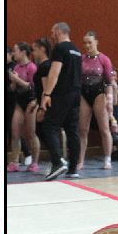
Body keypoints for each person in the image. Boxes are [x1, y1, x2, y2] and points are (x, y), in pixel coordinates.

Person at [37, 22, 82, 180]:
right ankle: (73, 169)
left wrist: (47, 94)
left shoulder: (60, 48)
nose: (51, 35)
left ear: (58, 31)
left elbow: (54, 73)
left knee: (49, 126)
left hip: (62, 93)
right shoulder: (76, 50)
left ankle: (57, 162)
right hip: (76, 94)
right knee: (72, 130)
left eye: (52, 32)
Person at [76, 31, 118, 172]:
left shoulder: (104, 59)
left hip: (99, 94)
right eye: (85, 43)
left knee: (104, 128)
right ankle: (80, 160)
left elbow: (109, 82)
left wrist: (109, 102)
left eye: (90, 42)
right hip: (84, 94)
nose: (87, 45)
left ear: (96, 42)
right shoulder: (81, 59)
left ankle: (107, 159)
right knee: (82, 130)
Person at [22, 37, 52, 174]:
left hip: (46, 105)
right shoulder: (42, 66)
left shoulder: (45, 66)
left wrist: (42, 108)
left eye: (34, 50)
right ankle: (57, 159)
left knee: (46, 132)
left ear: (42, 49)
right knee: (41, 131)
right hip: (40, 102)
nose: (32, 53)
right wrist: (35, 102)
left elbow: (46, 89)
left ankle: (57, 159)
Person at [7, 43, 37, 171]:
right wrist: (13, 81)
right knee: (14, 133)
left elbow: (32, 87)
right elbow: (13, 88)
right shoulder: (16, 67)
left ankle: (34, 162)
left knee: (30, 133)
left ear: (24, 52)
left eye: (16, 51)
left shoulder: (32, 67)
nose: (14, 53)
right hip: (19, 102)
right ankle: (15, 161)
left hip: (31, 101)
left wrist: (17, 80)